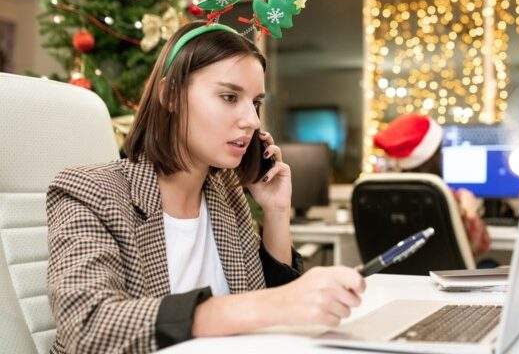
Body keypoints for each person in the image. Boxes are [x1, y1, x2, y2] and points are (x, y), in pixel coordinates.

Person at [45, 20, 365, 354]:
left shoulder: (225, 194)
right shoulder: (90, 191)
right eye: (229, 97)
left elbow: (273, 313)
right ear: (170, 95)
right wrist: (269, 306)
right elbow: (87, 326)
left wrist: (276, 211)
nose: (253, 121)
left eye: (255, 103)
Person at [373, 114, 491, 257]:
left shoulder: (381, 196)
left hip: (394, 271)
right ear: (435, 154)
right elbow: (480, 246)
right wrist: (470, 212)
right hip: (442, 272)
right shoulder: (445, 196)